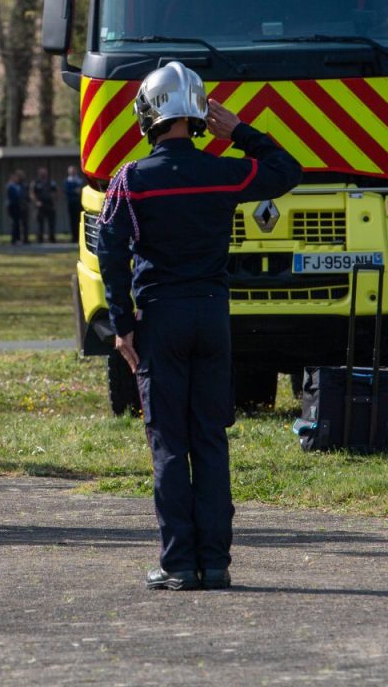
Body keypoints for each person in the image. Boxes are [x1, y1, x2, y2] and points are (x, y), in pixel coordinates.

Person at [96, 61, 301, 590]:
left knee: (169, 443)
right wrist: (240, 132)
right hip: (213, 316)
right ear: (197, 114)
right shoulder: (223, 171)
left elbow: (110, 254)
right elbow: (286, 171)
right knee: (210, 438)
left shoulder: (130, 180)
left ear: (149, 113)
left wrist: (122, 326)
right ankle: (217, 562)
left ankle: (178, 562)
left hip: (160, 320)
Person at [31, 167, 57, 243]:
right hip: (40, 205)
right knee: (40, 223)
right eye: (42, 173)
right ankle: (40, 239)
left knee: (51, 223)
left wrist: (54, 200)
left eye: (45, 173)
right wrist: (36, 202)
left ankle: (52, 238)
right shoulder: (35, 182)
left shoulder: (51, 182)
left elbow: (56, 191)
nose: (43, 174)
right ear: (39, 174)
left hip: (49, 204)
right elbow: (32, 193)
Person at [63, 166, 85, 244]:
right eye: (71, 171)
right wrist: (75, 191)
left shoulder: (80, 180)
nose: (72, 172)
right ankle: (74, 237)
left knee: (79, 220)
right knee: (72, 220)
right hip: (71, 203)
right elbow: (67, 191)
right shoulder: (67, 181)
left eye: (73, 171)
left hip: (79, 203)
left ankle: (80, 237)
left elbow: (82, 189)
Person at [5, 169, 27, 245]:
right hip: (13, 206)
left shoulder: (17, 186)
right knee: (15, 223)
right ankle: (14, 239)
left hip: (17, 206)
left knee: (17, 223)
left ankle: (17, 238)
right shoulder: (10, 186)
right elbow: (14, 196)